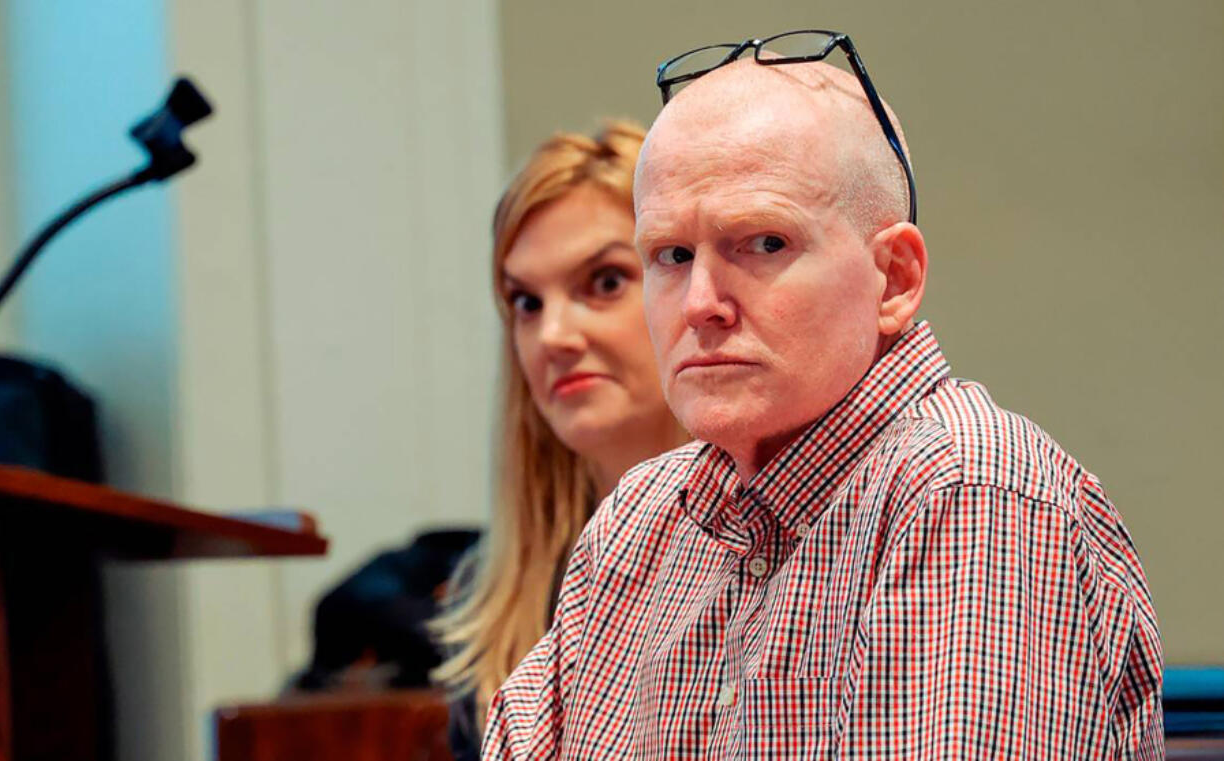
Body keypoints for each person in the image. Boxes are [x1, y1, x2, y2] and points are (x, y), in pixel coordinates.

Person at [483, 31, 1162, 759]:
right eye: (672, 256)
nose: (700, 302)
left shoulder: (969, 486)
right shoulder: (638, 523)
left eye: (764, 243)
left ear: (895, 278)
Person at [428, 121, 687, 760]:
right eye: (526, 303)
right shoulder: (499, 600)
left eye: (603, 283)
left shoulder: (791, 552)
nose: (553, 337)